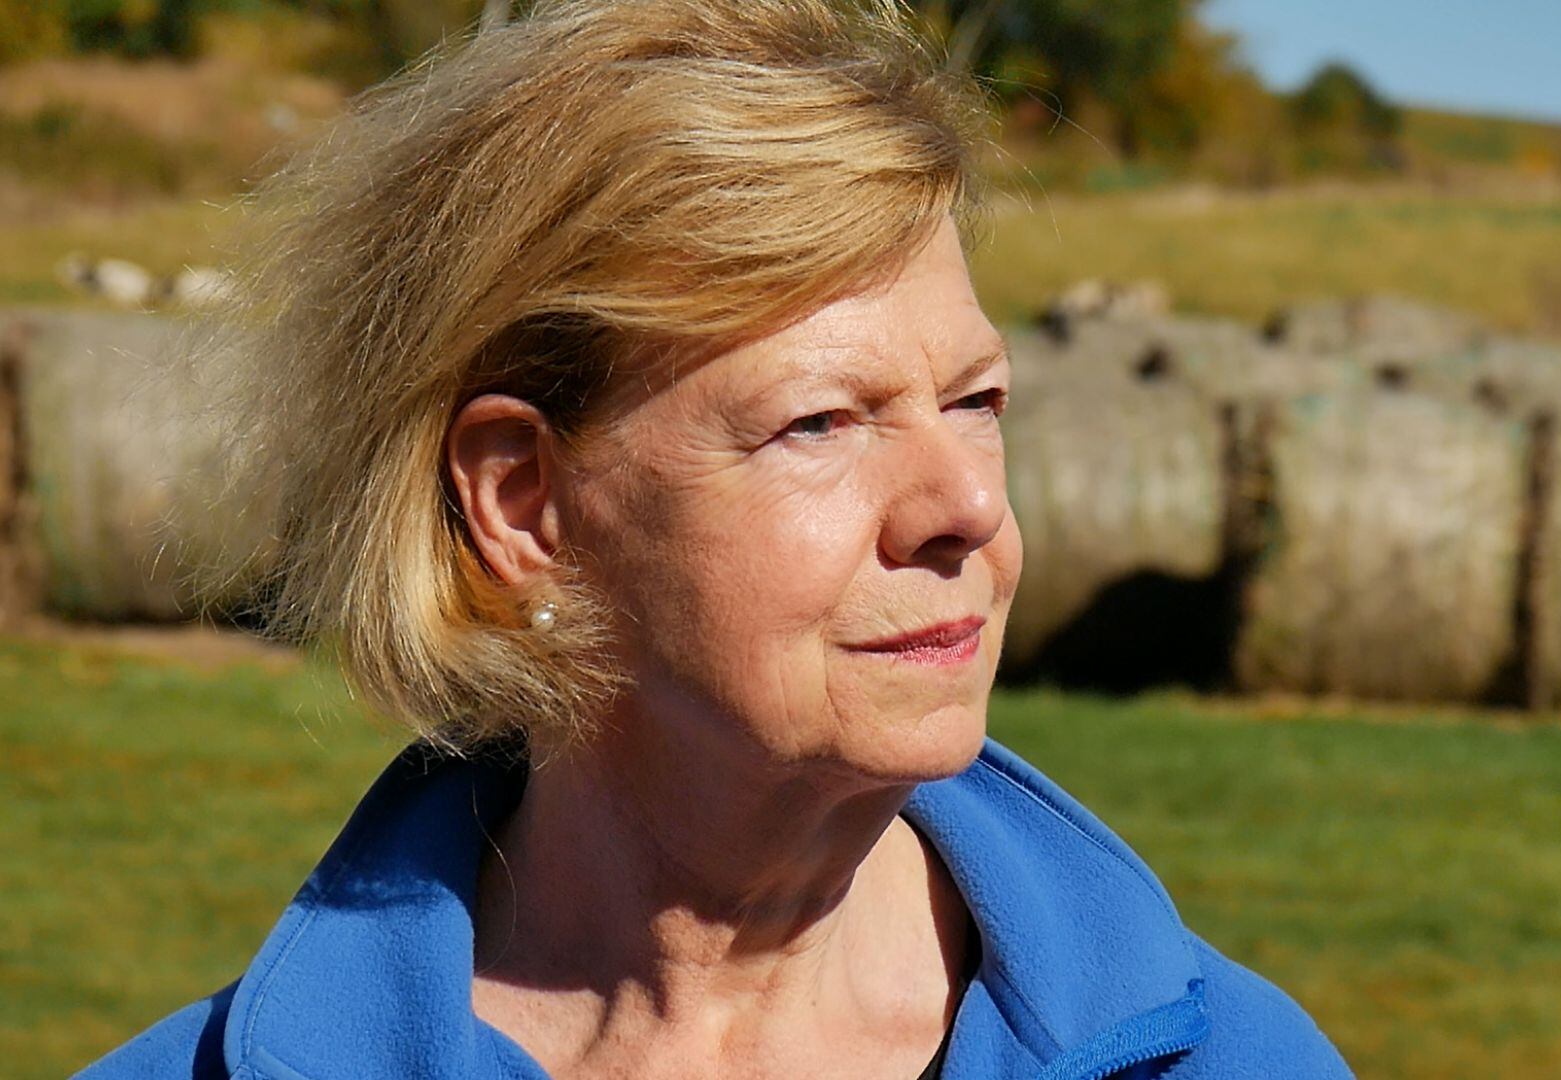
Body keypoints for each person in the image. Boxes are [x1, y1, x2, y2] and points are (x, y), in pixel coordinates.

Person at [81, 1, 1352, 1076]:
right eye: (819, 422)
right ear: (521, 503)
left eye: (976, 402)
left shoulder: (1229, 1057)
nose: (963, 506)